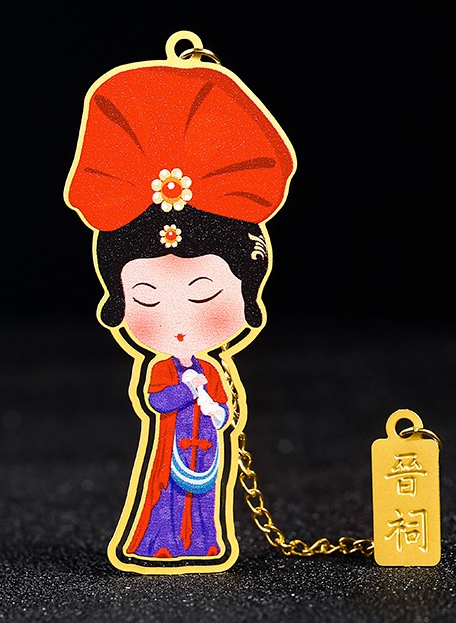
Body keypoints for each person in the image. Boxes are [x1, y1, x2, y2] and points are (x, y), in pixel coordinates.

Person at [64, 35, 295, 573]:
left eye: (204, 293)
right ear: (120, 301)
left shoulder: (213, 372)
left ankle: (205, 543)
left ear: (246, 291)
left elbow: (227, 413)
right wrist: (186, 392)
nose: (179, 321)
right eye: (146, 297)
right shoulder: (165, 369)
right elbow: (157, 403)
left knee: (204, 505)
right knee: (165, 498)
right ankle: (159, 544)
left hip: (205, 453)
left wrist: (216, 409)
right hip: (172, 452)